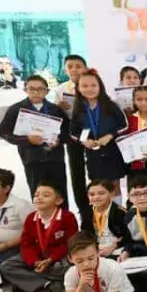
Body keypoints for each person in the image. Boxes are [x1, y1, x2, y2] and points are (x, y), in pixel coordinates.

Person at [0, 74, 70, 204]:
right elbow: (3, 132)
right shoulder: (16, 109)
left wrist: (59, 140)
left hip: (55, 159)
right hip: (32, 160)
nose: (36, 92)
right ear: (25, 90)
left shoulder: (55, 109)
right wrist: (26, 139)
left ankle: (64, 222)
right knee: (38, 194)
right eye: (32, 89)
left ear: (47, 91)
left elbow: (68, 132)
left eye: (40, 89)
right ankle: (42, 223)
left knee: (60, 194)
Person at [0, 183, 77, 292]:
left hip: (58, 258)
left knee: (67, 266)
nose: (39, 198)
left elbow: (70, 244)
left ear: (59, 200)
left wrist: (51, 260)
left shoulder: (67, 217)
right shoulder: (31, 218)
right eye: (36, 195)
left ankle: (27, 280)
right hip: (38, 258)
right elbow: (26, 244)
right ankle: (47, 283)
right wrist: (34, 261)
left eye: (46, 195)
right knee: (6, 266)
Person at [70, 71, 129, 200]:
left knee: (114, 185)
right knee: (99, 187)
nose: (89, 89)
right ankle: (103, 216)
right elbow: (73, 132)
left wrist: (110, 136)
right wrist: (84, 141)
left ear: (100, 87)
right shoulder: (78, 109)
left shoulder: (111, 105)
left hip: (112, 151)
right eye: (84, 86)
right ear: (78, 89)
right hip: (93, 154)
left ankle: (116, 215)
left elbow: (124, 126)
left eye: (93, 85)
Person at [50, 55, 92, 219]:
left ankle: (99, 207)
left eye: (78, 66)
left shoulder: (93, 85)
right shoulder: (61, 89)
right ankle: (83, 209)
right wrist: (58, 107)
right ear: (65, 69)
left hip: (92, 133)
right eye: (70, 66)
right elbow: (54, 117)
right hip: (72, 135)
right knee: (77, 171)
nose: (74, 69)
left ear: (86, 68)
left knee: (95, 171)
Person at [81, 179, 129, 255]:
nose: (96, 197)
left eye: (101, 193)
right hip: (96, 249)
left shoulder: (120, 212)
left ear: (112, 194)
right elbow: (85, 234)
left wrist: (113, 247)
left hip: (117, 248)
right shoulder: (87, 212)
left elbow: (127, 236)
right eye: (92, 194)